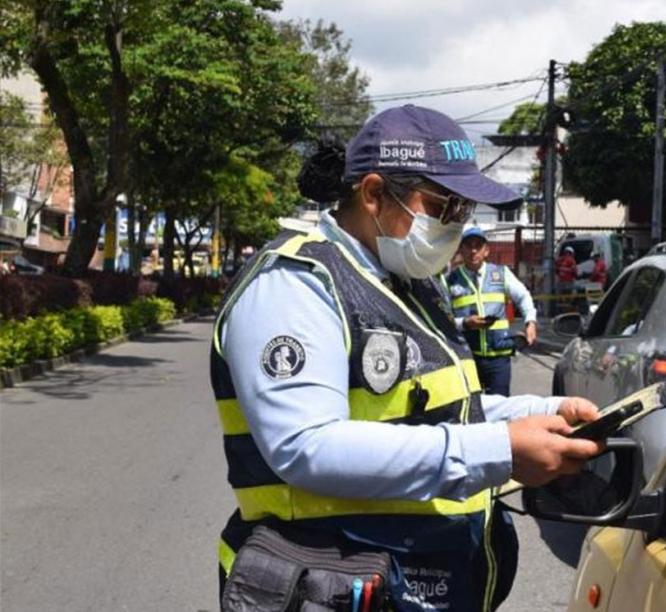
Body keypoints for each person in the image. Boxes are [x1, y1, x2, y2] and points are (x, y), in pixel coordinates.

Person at [210, 105, 603, 612]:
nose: (456, 225)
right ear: (374, 194)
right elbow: (306, 445)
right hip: (329, 583)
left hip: (413, 583)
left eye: (464, 210)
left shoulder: (408, 282)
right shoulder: (295, 283)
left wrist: (538, 414)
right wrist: (498, 448)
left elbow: (439, 410)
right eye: (443, 206)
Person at [447, 227, 538, 396]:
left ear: (486, 251)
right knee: (471, 407)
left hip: (498, 358)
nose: (473, 251)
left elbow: (523, 296)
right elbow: (444, 318)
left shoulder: (501, 274)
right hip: (467, 357)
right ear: (461, 250)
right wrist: (465, 323)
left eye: (478, 246)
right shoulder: (451, 279)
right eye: (468, 246)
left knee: (500, 406)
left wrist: (530, 322)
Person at [555, 246, 577, 312]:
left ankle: (561, 309)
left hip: (561, 281)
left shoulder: (560, 260)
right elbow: (574, 271)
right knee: (568, 297)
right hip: (568, 281)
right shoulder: (572, 260)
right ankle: (566, 310)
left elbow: (556, 268)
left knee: (561, 296)